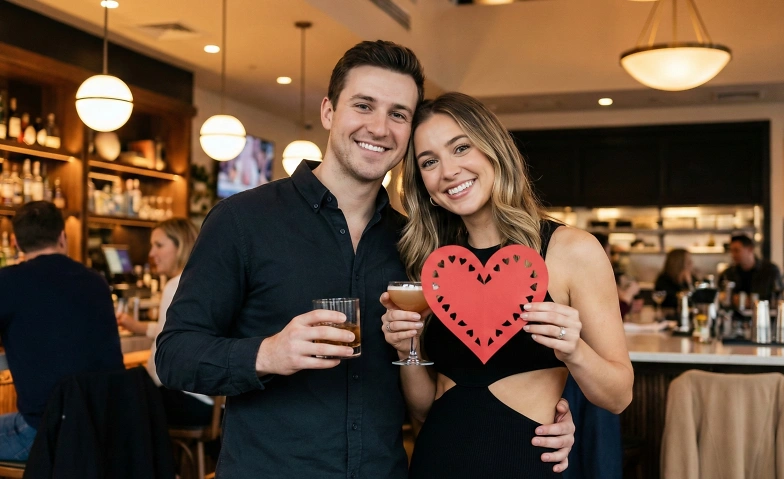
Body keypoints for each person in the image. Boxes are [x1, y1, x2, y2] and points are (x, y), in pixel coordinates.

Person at [155, 41, 575, 477]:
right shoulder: (243, 221)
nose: (379, 128)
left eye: (398, 114)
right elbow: (174, 356)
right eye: (363, 105)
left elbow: (455, 378)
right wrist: (270, 353)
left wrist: (548, 416)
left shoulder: (418, 245)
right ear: (328, 112)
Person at [381, 92, 633, 477]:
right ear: (423, 185)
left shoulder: (571, 250)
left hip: (524, 465)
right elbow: (423, 409)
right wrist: (408, 346)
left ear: (494, 150)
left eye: (461, 148)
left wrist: (574, 350)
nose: (448, 171)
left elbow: (618, 396)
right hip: (435, 462)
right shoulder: (433, 264)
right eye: (429, 162)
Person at [0, 201, 124, 460]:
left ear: (15, 242)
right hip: (104, 429)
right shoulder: (96, 281)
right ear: (63, 237)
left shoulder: (8, 281)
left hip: (45, 431)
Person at [116, 218, 213, 427]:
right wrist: (139, 327)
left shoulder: (175, 286)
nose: (151, 253)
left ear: (181, 246)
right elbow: (176, 333)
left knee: (119, 400)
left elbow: (161, 362)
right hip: (213, 405)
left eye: (159, 245)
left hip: (186, 400)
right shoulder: (203, 281)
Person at [719, 234, 783, 307]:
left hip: (764, 312)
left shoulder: (770, 271)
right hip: (734, 314)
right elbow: (720, 295)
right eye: (731, 251)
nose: (733, 255)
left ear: (750, 249)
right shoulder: (728, 273)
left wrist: (750, 301)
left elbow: (778, 297)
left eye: (736, 250)